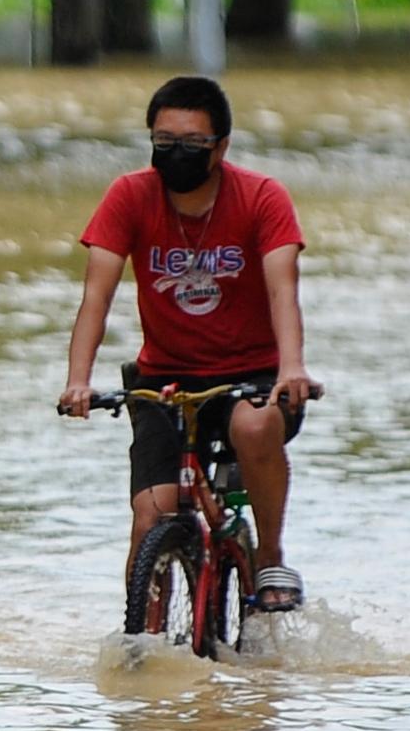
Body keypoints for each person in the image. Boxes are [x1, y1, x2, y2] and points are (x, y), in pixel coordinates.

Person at [58, 74, 313, 612]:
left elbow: (282, 289)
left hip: (254, 376)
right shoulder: (129, 195)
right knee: (153, 513)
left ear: (221, 147)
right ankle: (143, 641)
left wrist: (291, 368)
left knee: (252, 424)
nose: (177, 154)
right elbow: (96, 297)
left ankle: (269, 553)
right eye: (164, 142)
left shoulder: (262, 198)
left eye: (193, 144)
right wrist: (78, 380)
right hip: (164, 381)